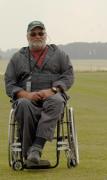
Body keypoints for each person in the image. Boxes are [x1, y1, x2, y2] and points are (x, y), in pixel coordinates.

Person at [4, 20, 74, 164]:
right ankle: (28, 154)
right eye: (33, 33)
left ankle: (36, 147)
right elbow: (9, 84)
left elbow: (68, 75)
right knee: (23, 104)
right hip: (27, 99)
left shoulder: (59, 54)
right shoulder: (17, 57)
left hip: (52, 97)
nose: (37, 36)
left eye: (40, 33)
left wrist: (53, 90)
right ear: (27, 36)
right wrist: (26, 95)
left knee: (57, 101)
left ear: (45, 35)